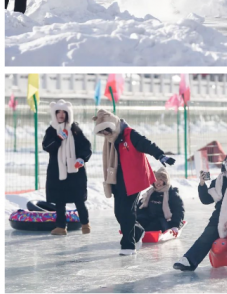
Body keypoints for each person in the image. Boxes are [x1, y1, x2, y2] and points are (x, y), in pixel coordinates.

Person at [93, 109, 176, 255]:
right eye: (103, 132)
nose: (105, 134)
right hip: (117, 180)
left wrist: (161, 156)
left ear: (112, 125)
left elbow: (147, 144)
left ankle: (128, 245)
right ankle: (137, 231)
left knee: (127, 211)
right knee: (119, 213)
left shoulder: (129, 134)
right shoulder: (111, 139)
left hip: (134, 179)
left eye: (107, 130)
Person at [174, 149, 227, 274]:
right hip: (219, 219)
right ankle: (188, 260)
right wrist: (202, 184)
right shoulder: (221, 180)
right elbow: (206, 199)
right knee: (207, 235)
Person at [42, 100, 93, 235]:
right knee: (59, 201)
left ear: (68, 113)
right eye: (58, 112)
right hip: (57, 171)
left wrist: (82, 158)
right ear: (54, 113)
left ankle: (85, 224)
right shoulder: (51, 130)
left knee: (79, 200)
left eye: (64, 112)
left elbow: (86, 147)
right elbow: (46, 147)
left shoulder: (75, 129)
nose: (61, 114)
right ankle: (61, 227)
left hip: (75, 171)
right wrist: (58, 138)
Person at [136, 167, 185, 234]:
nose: (158, 182)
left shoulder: (172, 194)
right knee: (140, 220)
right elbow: (140, 207)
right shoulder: (150, 193)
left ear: (165, 181)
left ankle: (145, 232)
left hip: (166, 221)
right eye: (156, 179)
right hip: (150, 219)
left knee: (156, 225)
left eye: (161, 180)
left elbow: (179, 211)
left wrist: (175, 225)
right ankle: (135, 231)